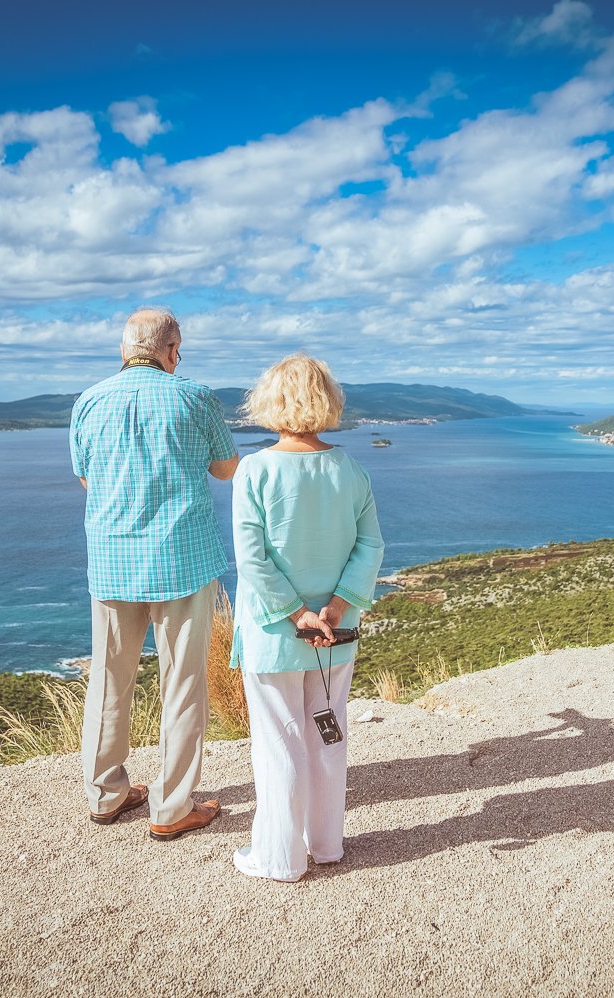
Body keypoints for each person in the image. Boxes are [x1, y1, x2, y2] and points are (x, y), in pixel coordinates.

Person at [69, 306, 239, 841]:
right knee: (183, 685)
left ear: (125, 351)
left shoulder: (88, 401)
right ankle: (170, 807)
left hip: (112, 563)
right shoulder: (196, 397)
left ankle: (106, 795)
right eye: (178, 350)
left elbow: (86, 480)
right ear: (171, 350)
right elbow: (226, 469)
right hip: (182, 561)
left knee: (108, 679)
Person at [229, 354, 384, 882]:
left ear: (269, 403)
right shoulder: (349, 469)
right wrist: (335, 606)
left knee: (280, 742)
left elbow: (252, 559)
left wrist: (296, 614)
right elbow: (370, 546)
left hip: (277, 632)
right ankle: (327, 844)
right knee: (328, 737)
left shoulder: (254, 470)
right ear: (328, 401)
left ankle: (279, 858)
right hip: (335, 632)